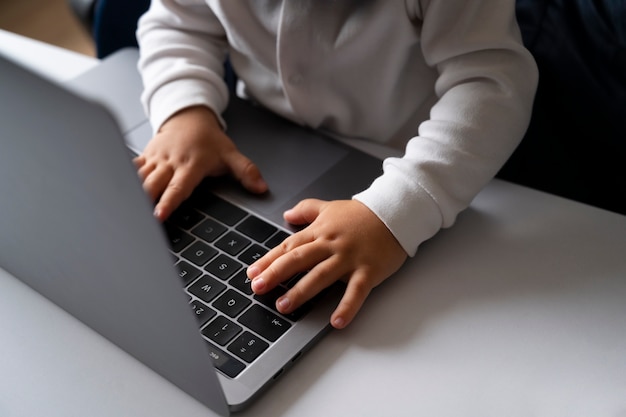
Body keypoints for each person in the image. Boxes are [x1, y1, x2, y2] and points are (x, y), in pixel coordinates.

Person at [134, 1, 538, 329]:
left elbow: (490, 84)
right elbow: (177, 23)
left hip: (406, 163)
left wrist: (394, 212)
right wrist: (184, 110)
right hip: (260, 138)